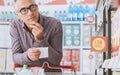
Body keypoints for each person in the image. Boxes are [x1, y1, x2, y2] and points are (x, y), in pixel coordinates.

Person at [10, 0, 63, 72]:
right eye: (23, 10)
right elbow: (15, 57)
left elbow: (57, 60)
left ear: (37, 7)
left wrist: (41, 41)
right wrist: (27, 56)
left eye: (32, 7)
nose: (30, 13)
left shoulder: (55, 24)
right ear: (17, 14)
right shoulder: (15, 25)